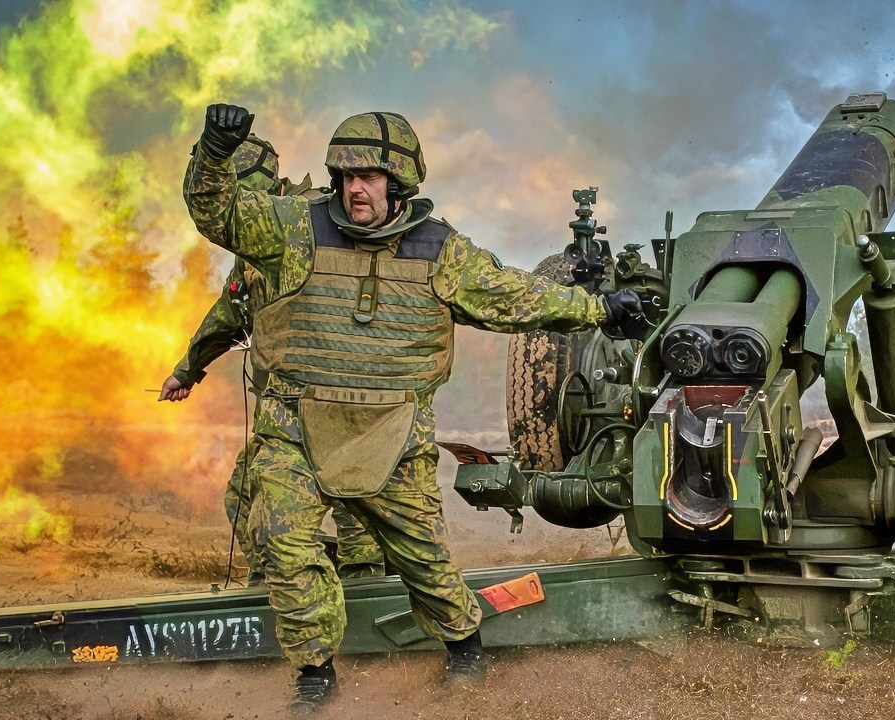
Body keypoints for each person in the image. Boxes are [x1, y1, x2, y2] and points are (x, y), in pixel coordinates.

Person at [183, 103, 642, 713]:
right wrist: (215, 150)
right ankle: (315, 676)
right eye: (345, 177)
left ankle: (465, 649)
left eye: (369, 178)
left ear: (398, 184)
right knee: (288, 550)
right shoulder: (294, 227)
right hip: (294, 429)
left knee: (425, 564)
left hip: (394, 434)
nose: (354, 190)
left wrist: (600, 311)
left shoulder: (438, 251)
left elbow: (514, 297)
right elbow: (219, 215)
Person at [162, 136, 386, 586]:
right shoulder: (259, 241)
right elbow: (231, 309)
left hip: (344, 396)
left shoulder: (322, 221)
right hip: (286, 406)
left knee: (349, 493)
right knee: (245, 491)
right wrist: (188, 369)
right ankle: (282, 576)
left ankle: (367, 585)